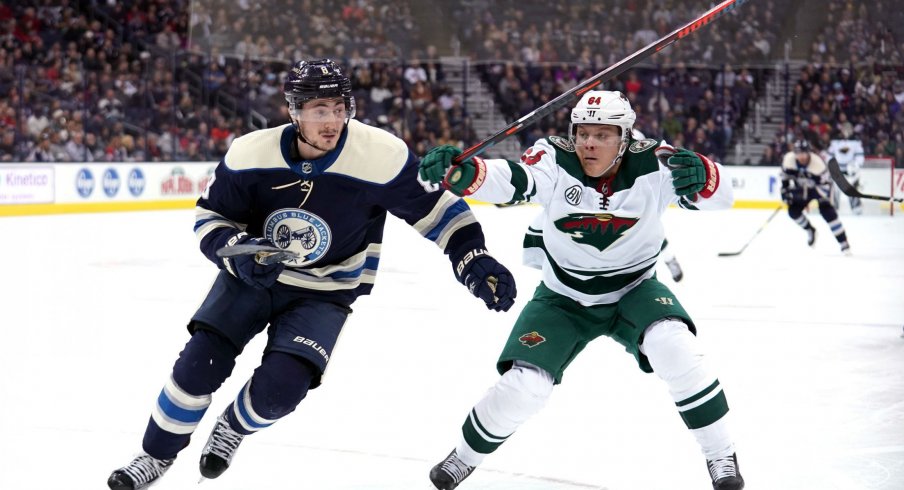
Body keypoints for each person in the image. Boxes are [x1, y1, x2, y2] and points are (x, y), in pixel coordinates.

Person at [106, 59, 517, 490]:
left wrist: (472, 258)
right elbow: (212, 217)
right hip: (250, 278)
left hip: (325, 290)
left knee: (279, 392)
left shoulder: (380, 155)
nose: (332, 120)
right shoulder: (250, 153)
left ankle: (233, 427)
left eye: (339, 107)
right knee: (196, 368)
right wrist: (238, 253)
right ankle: (154, 456)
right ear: (294, 111)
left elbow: (439, 212)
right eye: (319, 109)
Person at [419, 90, 744, 489]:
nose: (589, 143)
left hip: (635, 289)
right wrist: (470, 175)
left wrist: (707, 175)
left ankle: (721, 456)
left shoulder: (654, 162)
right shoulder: (554, 157)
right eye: (583, 133)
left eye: (602, 135)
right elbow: (515, 181)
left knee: (673, 345)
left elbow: (723, 198)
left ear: (624, 138)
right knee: (525, 387)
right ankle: (463, 458)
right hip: (563, 297)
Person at [780, 139, 851, 254]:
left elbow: (825, 188)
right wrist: (785, 193)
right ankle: (810, 230)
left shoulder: (817, 164)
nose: (801, 156)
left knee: (828, 214)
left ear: (809, 153)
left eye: (804, 153)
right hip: (803, 189)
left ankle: (844, 243)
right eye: (798, 153)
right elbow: (785, 179)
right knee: (793, 211)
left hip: (821, 190)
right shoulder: (789, 160)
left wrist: (799, 193)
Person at [825, 138, 865, 214]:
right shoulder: (834, 144)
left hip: (851, 171)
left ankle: (856, 207)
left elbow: (860, 158)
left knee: (852, 187)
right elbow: (829, 157)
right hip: (837, 170)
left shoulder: (856, 143)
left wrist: (855, 166)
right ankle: (834, 207)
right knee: (834, 189)